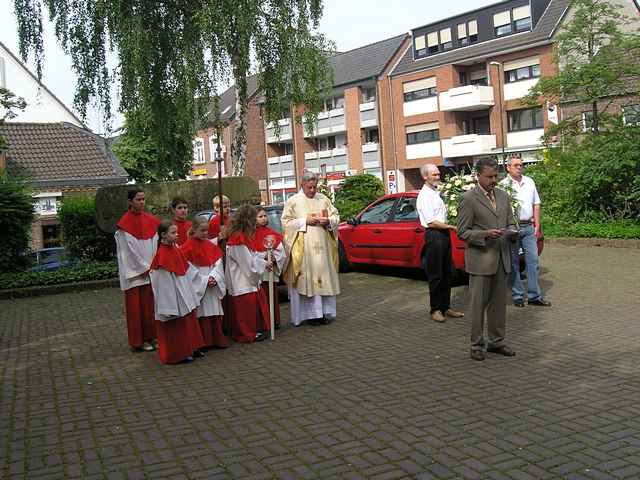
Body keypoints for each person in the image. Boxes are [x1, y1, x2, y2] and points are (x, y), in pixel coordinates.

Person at [457, 158, 518, 361]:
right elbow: (462, 232)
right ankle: (476, 345)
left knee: (499, 306)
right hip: (481, 260)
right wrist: (484, 235)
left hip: (502, 258)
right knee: (477, 306)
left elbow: (510, 222)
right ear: (478, 176)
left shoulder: (503, 196)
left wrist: (512, 232)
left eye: (496, 176)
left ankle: (496, 342)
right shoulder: (468, 199)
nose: (494, 180)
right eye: (489, 177)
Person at [281, 171, 340, 327]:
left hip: (323, 250)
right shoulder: (293, 201)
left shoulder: (324, 199)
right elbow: (286, 223)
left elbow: (336, 216)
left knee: (323, 280)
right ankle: (310, 315)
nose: (313, 190)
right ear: (302, 185)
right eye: (309, 187)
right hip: (305, 251)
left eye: (314, 187)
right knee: (306, 280)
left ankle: (322, 313)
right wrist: (304, 221)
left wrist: (328, 221)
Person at [149, 220, 207, 364]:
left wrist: (202, 279)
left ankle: (192, 347)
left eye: (176, 232)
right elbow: (163, 284)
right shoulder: (161, 255)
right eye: (173, 233)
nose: (177, 235)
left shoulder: (175, 249)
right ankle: (178, 354)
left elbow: (186, 268)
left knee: (188, 321)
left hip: (184, 291)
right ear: (163, 235)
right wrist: (169, 306)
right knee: (176, 325)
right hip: (174, 296)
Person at [500, 155, 551, 308]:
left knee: (533, 261)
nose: (519, 167)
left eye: (521, 165)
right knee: (514, 263)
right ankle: (517, 296)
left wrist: (537, 225)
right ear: (508, 167)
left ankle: (534, 296)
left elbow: (536, 204)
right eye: (515, 165)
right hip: (512, 228)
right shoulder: (503, 186)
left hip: (529, 227)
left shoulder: (529, 181)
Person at [416, 163, 465, 323]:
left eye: (438, 174)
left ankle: (446, 306)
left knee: (447, 272)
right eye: (434, 175)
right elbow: (431, 222)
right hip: (434, 235)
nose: (438, 177)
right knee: (436, 274)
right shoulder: (424, 196)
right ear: (425, 177)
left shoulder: (436, 192)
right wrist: (452, 227)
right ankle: (435, 309)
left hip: (443, 234)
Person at [115, 188, 160, 352]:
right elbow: (128, 250)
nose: (142, 202)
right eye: (138, 199)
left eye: (143, 199)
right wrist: (143, 267)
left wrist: (152, 264)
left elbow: (154, 243)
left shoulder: (151, 220)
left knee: (149, 307)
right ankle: (138, 341)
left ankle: (151, 337)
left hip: (149, 271)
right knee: (135, 310)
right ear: (130, 202)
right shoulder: (124, 224)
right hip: (134, 274)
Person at [181, 217, 230, 349]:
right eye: (202, 231)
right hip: (200, 283)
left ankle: (216, 338)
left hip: (211, 282)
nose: (205, 233)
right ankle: (204, 341)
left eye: (206, 231)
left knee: (213, 310)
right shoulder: (186, 248)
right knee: (201, 313)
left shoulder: (210, 245)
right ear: (194, 230)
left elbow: (218, 263)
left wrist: (215, 277)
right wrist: (204, 281)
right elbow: (188, 269)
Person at [224, 204, 270, 342]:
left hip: (245, 281)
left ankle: (253, 330)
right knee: (245, 311)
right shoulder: (238, 240)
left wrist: (264, 257)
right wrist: (264, 264)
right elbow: (247, 265)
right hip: (242, 281)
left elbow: (252, 256)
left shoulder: (242, 237)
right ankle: (247, 334)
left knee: (249, 310)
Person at [254, 206, 286, 329]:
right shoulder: (250, 234)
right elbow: (250, 253)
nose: (263, 218)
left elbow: (280, 252)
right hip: (259, 270)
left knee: (271, 296)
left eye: (264, 216)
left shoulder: (271, 234)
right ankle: (263, 323)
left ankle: (274, 320)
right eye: (260, 216)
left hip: (270, 269)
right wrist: (262, 258)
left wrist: (274, 258)